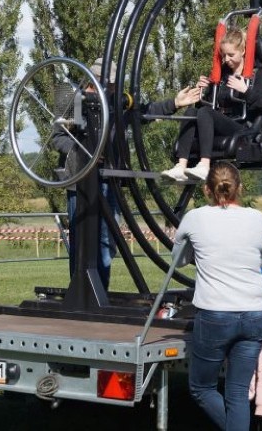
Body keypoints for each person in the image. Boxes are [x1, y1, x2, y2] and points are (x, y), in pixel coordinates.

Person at [52, 57, 201, 290]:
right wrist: (83, 152)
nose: (113, 88)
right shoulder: (73, 99)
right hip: (81, 182)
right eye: (109, 84)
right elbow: (58, 138)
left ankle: (101, 290)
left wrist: (175, 103)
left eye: (114, 85)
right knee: (82, 241)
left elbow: (143, 112)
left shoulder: (114, 101)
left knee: (106, 240)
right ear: (94, 80)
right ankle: (82, 291)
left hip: (109, 178)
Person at [173, 161, 262, 431]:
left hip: (216, 315)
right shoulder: (258, 218)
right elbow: (260, 262)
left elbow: (178, 260)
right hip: (254, 313)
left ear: (207, 190)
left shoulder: (195, 217)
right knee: (237, 393)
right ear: (240, 187)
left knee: (202, 388)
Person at [161, 26, 262, 182]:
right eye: (224, 55)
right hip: (220, 125)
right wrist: (203, 92)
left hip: (243, 129)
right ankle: (181, 166)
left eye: (231, 55)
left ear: (243, 51)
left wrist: (245, 91)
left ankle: (205, 165)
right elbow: (207, 108)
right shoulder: (222, 75)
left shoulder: (258, 76)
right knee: (191, 113)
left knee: (205, 113)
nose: (227, 60)